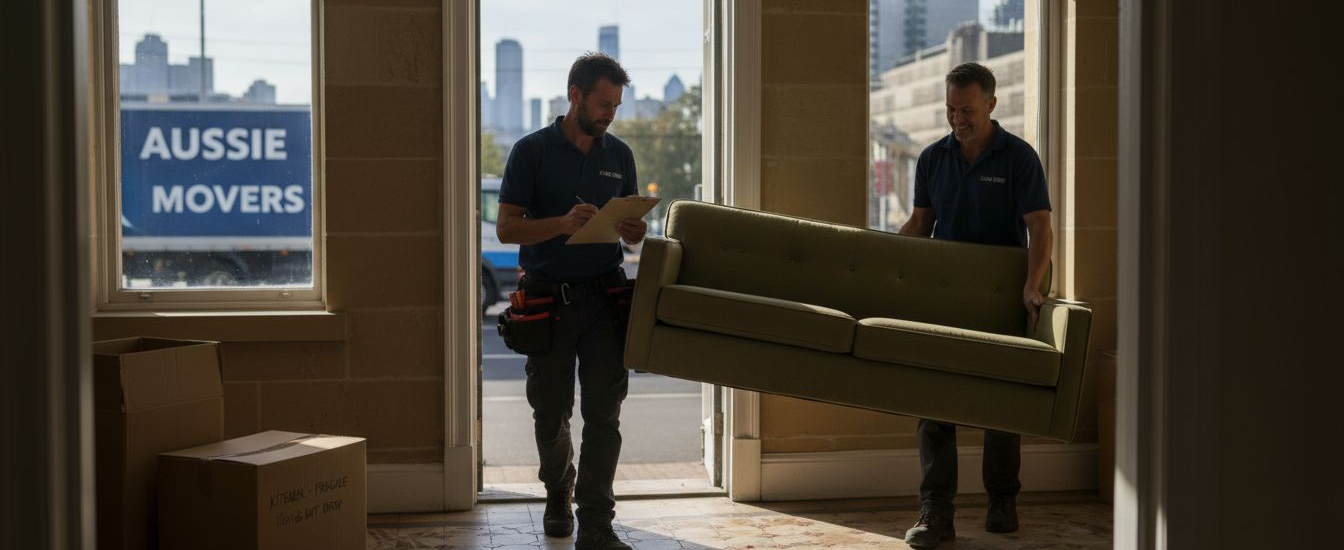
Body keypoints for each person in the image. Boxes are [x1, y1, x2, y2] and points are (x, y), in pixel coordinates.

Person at [897, 62, 1053, 549]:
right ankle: (936, 512)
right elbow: (920, 224)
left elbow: (1041, 228)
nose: (956, 118)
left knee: (999, 404)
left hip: (1000, 297)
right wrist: (879, 263)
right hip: (943, 296)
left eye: (966, 110)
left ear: (991, 103)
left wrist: (1033, 285)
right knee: (934, 403)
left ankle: (1002, 501)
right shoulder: (931, 159)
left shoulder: (1019, 157)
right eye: (950, 109)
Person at [495, 52, 646, 550]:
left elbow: (629, 239)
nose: (610, 114)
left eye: (617, 106)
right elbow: (506, 227)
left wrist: (634, 230)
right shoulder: (530, 151)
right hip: (547, 302)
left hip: (606, 299)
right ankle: (558, 491)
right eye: (603, 103)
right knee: (551, 411)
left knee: (606, 413)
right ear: (575, 95)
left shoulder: (619, 155)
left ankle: (598, 523)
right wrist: (561, 224)